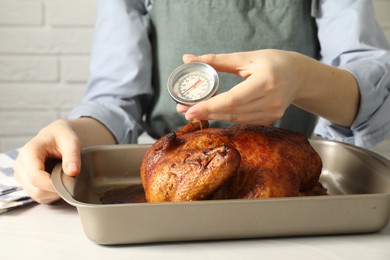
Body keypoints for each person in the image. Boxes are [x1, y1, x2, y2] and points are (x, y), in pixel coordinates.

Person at [14, 0, 390, 204]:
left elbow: (373, 90)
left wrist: (305, 77)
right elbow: (116, 99)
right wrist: (73, 132)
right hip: (176, 177)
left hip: (296, 182)